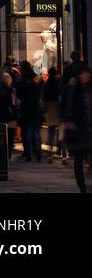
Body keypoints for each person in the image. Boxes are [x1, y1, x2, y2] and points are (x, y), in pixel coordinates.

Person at [60, 61, 92, 193]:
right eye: (82, 74)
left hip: (89, 129)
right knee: (78, 160)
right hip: (78, 130)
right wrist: (68, 121)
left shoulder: (89, 89)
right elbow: (64, 107)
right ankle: (82, 188)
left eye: (86, 74)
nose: (84, 76)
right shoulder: (72, 90)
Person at [16, 61, 43, 163]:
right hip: (35, 108)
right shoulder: (36, 79)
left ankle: (28, 153)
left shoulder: (21, 80)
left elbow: (19, 95)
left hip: (26, 108)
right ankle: (38, 152)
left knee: (26, 132)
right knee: (35, 132)